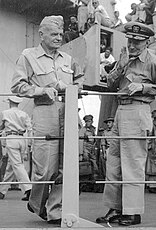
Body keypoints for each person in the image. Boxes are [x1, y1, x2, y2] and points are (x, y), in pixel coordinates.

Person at [11, 15, 84, 224]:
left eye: (61, 34)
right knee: (44, 168)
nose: (59, 38)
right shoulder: (28, 56)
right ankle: (36, 203)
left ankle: (55, 211)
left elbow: (79, 78)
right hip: (44, 111)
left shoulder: (68, 59)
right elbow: (17, 86)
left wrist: (75, 89)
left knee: (65, 166)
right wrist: (42, 90)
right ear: (41, 35)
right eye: (54, 34)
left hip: (68, 112)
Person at [96, 21, 156, 226]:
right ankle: (115, 208)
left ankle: (133, 212)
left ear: (147, 42)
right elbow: (110, 84)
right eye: (130, 40)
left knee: (133, 164)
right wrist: (120, 64)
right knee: (114, 163)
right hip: (120, 110)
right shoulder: (125, 59)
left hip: (138, 110)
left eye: (138, 42)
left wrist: (143, 86)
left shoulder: (153, 62)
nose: (133, 45)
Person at [0, 96, 32, 201]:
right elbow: (30, 128)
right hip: (22, 139)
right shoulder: (24, 114)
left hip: (11, 138)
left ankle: (28, 189)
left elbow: (1, 126)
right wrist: (30, 143)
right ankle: (2, 191)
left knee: (17, 164)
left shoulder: (5, 113)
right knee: (11, 165)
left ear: (10, 102)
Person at [79, 115, 99, 181]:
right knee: (86, 165)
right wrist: (81, 153)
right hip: (85, 148)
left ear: (92, 121)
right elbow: (80, 141)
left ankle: (94, 178)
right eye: (86, 121)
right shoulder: (83, 130)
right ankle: (86, 181)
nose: (88, 123)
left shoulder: (93, 129)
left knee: (94, 164)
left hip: (92, 148)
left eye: (89, 121)